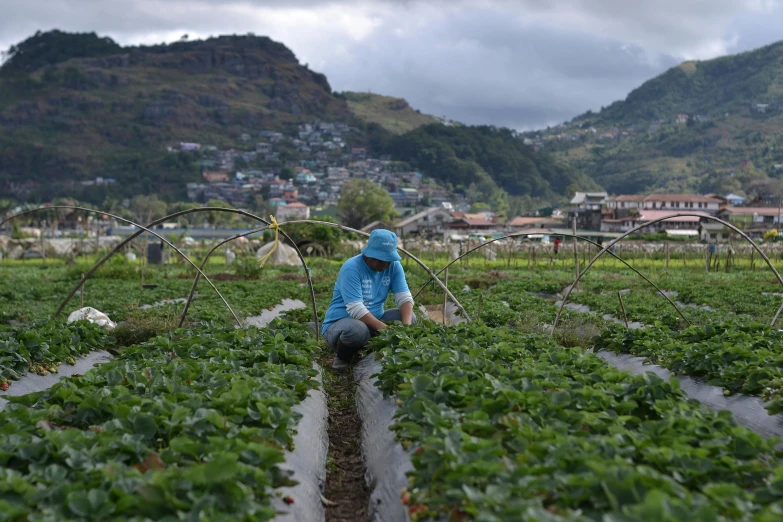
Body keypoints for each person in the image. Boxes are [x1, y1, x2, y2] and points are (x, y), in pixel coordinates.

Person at [322, 229, 416, 370]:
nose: (385, 263)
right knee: (358, 329)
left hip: (373, 323)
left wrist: (406, 328)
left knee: (409, 317)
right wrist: (386, 330)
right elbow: (355, 309)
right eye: (380, 259)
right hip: (340, 327)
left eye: (388, 259)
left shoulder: (394, 266)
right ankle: (342, 358)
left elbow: (404, 298)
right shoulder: (352, 267)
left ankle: (372, 350)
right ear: (368, 253)